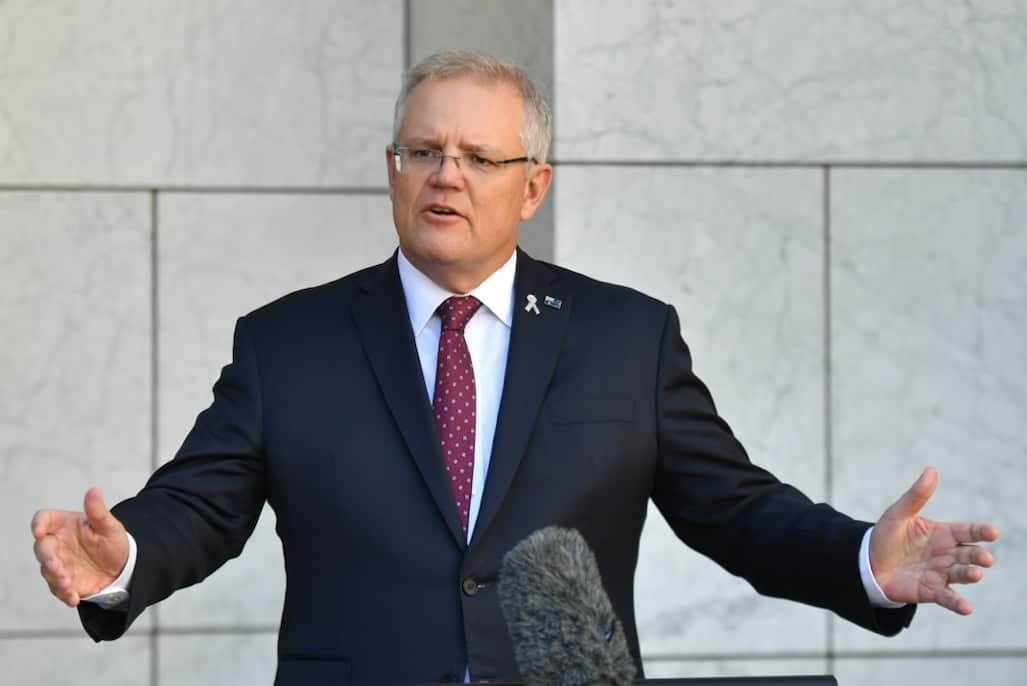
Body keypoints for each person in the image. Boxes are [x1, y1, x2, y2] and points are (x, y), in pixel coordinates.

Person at [31, 50, 999, 685]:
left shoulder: (627, 338)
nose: (444, 174)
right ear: (391, 169)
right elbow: (198, 505)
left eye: (475, 157)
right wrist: (123, 559)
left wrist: (860, 558)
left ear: (532, 184)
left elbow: (735, 508)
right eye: (423, 151)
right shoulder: (290, 343)